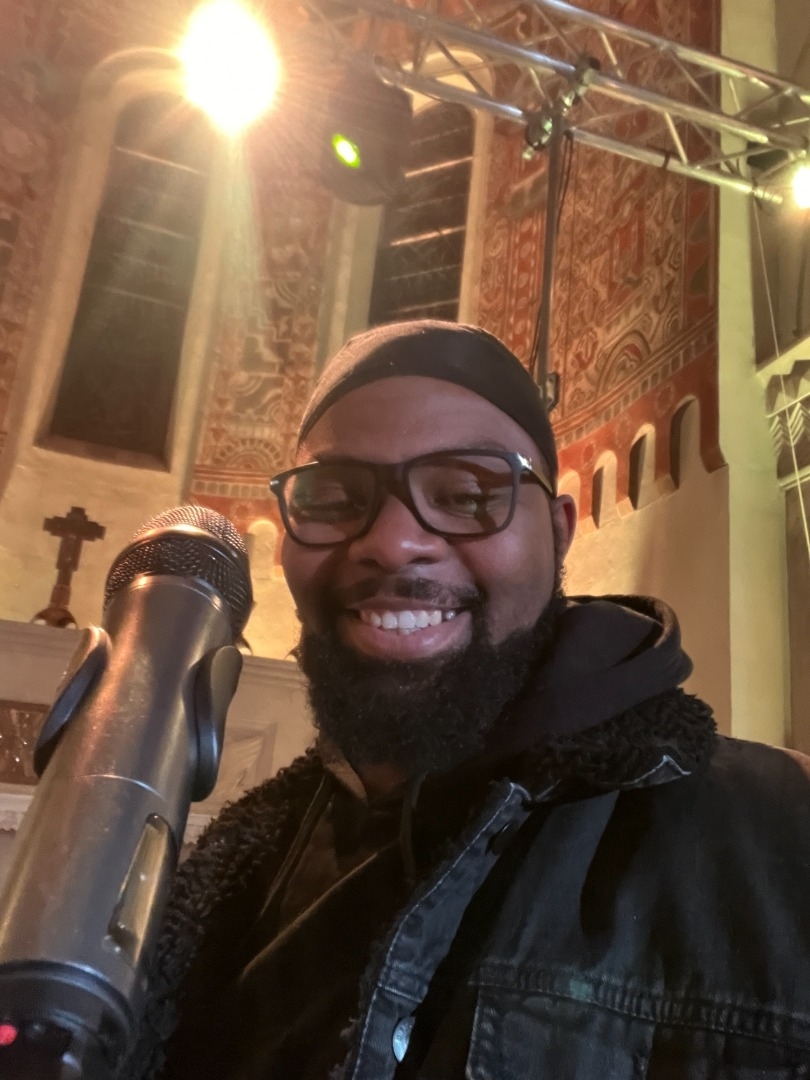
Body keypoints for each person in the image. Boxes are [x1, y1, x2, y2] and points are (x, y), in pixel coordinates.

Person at [127, 320, 810, 1080]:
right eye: (335, 497)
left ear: (557, 533)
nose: (392, 542)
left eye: (465, 494)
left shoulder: (784, 835)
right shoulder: (223, 882)